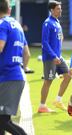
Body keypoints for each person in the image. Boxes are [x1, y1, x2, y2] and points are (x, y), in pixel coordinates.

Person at [0, 0, 28, 134]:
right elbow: (26, 53)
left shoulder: (2, 24)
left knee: (3, 121)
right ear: (9, 10)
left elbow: (0, 47)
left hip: (8, 77)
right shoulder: (17, 25)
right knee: (2, 119)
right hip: (15, 75)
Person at [38, 1, 71, 113]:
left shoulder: (57, 22)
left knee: (68, 76)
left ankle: (58, 100)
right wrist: (53, 56)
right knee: (48, 81)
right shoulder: (47, 23)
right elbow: (44, 42)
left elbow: (59, 38)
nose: (60, 10)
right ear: (52, 10)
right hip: (50, 58)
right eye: (58, 8)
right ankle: (42, 106)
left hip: (58, 57)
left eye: (60, 8)